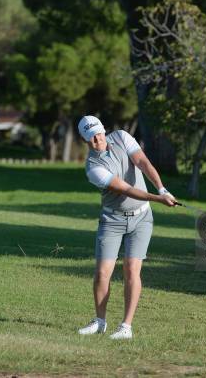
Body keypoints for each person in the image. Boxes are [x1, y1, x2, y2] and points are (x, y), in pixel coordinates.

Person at [76, 115, 177, 340]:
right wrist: (158, 199)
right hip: (112, 221)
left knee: (132, 269)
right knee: (102, 273)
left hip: (141, 218)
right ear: (85, 140)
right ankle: (100, 321)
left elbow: (142, 162)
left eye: (99, 133)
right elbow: (126, 189)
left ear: (104, 130)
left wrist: (161, 189)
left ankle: (126, 327)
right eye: (91, 137)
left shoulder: (122, 136)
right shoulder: (93, 168)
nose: (97, 139)